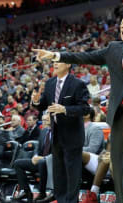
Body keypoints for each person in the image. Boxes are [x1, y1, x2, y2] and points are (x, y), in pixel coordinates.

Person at [32, 14, 123, 203]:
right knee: (116, 162)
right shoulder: (113, 49)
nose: (122, 26)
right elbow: (85, 56)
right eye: (122, 23)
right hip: (118, 114)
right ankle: (122, 200)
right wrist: (55, 55)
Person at [31, 61, 90, 203]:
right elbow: (43, 104)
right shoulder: (50, 83)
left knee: (72, 173)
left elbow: (85, 109)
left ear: (68, 64)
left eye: (59, 62)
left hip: (73, 135)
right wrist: (36, 102)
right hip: (56, 134)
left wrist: (65, 109)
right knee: (59, 173)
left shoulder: (77, 84)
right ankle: (61, 199)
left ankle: (71, 201)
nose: (55, 64)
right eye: (54, 62)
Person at [13, 114, 54, 203]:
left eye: (46, 120)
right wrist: (35, 156)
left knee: (42, 162)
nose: (44, 122)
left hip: (52, 161)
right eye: (43, 120)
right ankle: (26, 191)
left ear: (52, 120)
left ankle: (42, 193)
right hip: (40, 160)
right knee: (18, 163)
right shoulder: (43, 132)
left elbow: (58, 152)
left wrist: (44, 158)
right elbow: (38, 149)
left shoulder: (58, 132)